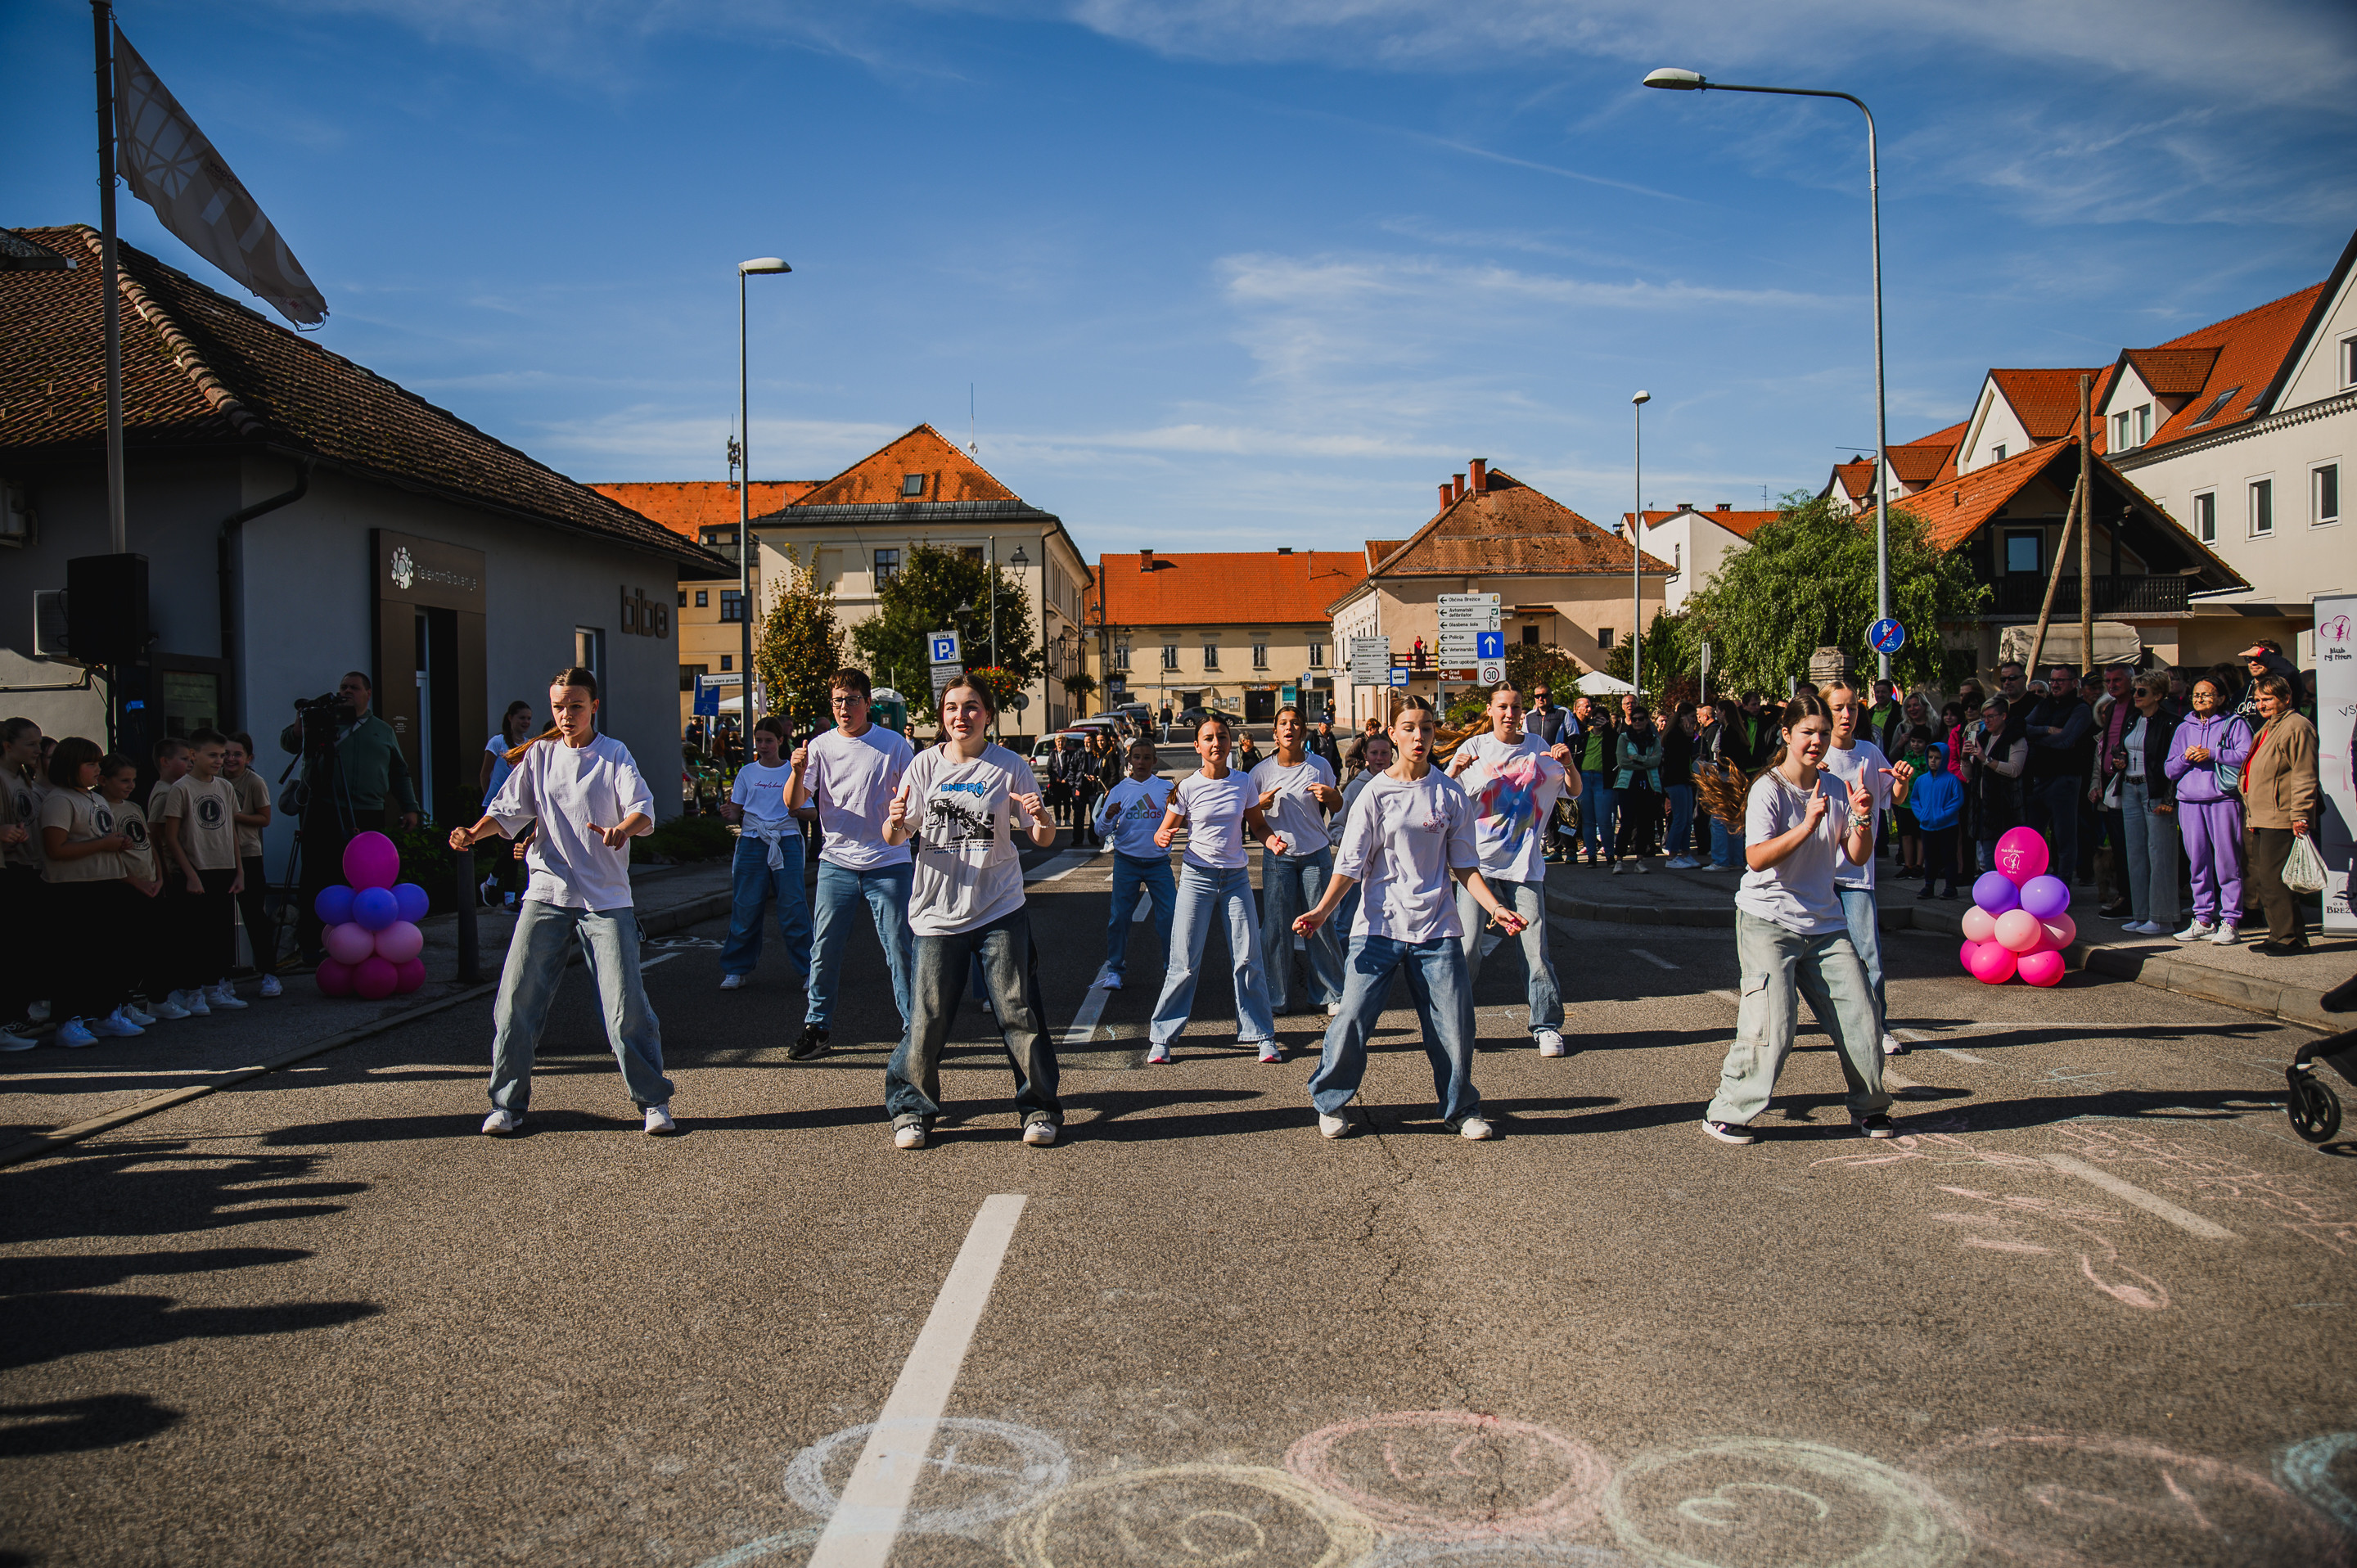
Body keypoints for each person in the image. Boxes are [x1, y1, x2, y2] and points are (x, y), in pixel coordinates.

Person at [449, 666, 676, 1136]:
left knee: (624, 1006)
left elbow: (643, 809)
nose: (566, 714)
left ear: (594, 706)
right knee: (516, 1001)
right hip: (547, 892)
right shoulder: (540, 756)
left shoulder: (614, 755)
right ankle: (508, 1105)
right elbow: (507, 811)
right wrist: (473, 833)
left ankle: (653, 1101)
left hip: (606, 899)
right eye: (559, 706)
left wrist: (621, 830)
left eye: (575, 705)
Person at [1291, 697, 1528, 1141]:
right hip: (1379, 926)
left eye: (1426, 728)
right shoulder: (1375, 794)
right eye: (1409, 728)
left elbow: (1465, 865)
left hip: (1437, 927)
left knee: (1455, 1023)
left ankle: (1461, 1108)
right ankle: (1329, 1100)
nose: (1419, 737)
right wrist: (1322, 911)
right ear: (1394, 735)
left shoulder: (1449, 792)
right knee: (1353, 1017)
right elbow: (1351, 863)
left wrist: (1495, 907)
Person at [1701, 695, 1895, 1145]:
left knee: (1862, 1018)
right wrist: (1805, 826)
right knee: (1774, 1025)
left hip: (1825, 923)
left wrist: (1863, 819)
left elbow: (1855, 854)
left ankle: (1869, 1108)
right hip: (1769, 921)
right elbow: (1755, 858)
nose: (1817, 741)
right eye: (1808, 732)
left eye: (1823, 733)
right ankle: (1727, 1110)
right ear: (1787, 735)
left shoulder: (1834, 786)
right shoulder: (1768, 788)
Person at [880, 677, 1063, 1149]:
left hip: (999, 907)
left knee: (1018, 1011)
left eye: (972, 707)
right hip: (936, 912)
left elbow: (1041, 836)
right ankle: (910, 1109)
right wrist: (895, 821)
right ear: (942, 716)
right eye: (952, 708)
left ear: (988, 714)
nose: (961, 716)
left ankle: (1039, 1107)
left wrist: (1041, 817)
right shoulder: (923, 765)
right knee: (928, 1016)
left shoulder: (1009, 766)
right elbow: (897, 837)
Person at [1147, 714, 1290, 1065]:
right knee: (1184, 961)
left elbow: (1257, 824)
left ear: (1230, 743)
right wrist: (1163, 836)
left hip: (1236, 879)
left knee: (1248, 959)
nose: (1216, 743)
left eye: (1222, 737)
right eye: (1208, 738)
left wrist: (1271, 840)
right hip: (1197, 877)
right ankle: (1162, 1037)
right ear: (1197, 746)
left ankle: (1262, 1036)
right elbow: (1164, 830)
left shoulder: (1243, 783)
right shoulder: (1187, 787)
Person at [791, 667, 917, 1061]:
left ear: (867, 703)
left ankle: (916, 1029)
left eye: (852, 700)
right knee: (824, 947)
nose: (845, 708)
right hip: (837, 862)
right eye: (838, 701)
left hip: (888, 860)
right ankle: (818, 1027)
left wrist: (902, 813)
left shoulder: (893, 745)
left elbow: (916, 798)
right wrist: (796, 771)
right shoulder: (820, 746)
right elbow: (794, 803)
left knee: (900, 947)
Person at [1445, 683, 1572, 1056]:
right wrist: (1454, 767)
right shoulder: (1475, 748)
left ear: (1523, 711)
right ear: (1490, 710)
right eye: (1502, 706)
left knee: (1535, 948)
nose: (1509, 713)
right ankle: (1457, 1022)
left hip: (1525, 863)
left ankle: (1546, 1025)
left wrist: (1567, 764)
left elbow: (1572, 791)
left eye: (1515, 707)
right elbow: (1442, 795)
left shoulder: (1538, 749)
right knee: (1467, 947)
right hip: (1477, 864)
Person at [280, 672, 421, 969]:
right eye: (343, 687)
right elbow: (289, 743)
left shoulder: (382, 730)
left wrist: (410, 807)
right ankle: (311, 946)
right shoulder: (323, 724)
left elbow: (399, 771)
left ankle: (359, 944)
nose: (346, 692)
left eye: (354, 688)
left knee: (363, 880)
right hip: (322, 809)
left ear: (368, 694)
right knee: (316, 876)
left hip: (367, 811)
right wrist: (300, 725)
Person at [1822, 680, 1915, 1057]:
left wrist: (1903, 783)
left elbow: (1892, 800)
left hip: (1858, 874)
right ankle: (1781, 1027)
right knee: (1799, 956)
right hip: (1818, 873)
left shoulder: (1870, 753)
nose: (1847, 715)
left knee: (1868, 955)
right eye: (1839, 708)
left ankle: (1879, 1027)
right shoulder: (1815, 754)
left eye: (1853, 708)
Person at [38, 737, 142, 1047]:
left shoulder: (94, 799)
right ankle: (68, 1020)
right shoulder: (59, 800)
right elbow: (55, 848)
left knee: (106, 955)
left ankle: (105, 1013)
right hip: (73, 888)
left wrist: (116, 843)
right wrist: (104, 844)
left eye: (99, 764)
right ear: (71, 766)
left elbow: (97, 838)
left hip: (104, 882)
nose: (98, 770)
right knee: (75, 958)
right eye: (91, 764)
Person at [1252, 705, 1345, 1016]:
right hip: (1278, 857)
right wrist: (1260, 806)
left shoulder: (1318, 765)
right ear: (1275, 733)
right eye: (1283, 724)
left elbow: (1338, 802)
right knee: (1276, 928)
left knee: (1321, 923)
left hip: (1315, 854)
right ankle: (1276, 995)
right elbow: (1250, 820)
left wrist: (1330, 795)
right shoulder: (1261, 772)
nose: (1289, 729)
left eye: (1295, 724)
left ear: (1303, 732)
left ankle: (1330, 992)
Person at [155, 728, 248, 1018]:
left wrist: (239, 870)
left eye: (222, 755)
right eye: (213, 755)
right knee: (194, 935)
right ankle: (193, 992)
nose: (219, 760)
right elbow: (170, 837)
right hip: (196, 870)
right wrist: (190, 873)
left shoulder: (224, 788)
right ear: (193, 755)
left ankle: (214, 987)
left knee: (219, 934)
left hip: (223, 868)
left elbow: (231, 829)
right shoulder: (180, 789)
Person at [718, 715, 813, 993]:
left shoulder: (791, 771)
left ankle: (809, 970)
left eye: (769, 741)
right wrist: (728, 813)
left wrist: (797, 811)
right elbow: (735, 813)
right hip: (752, 841)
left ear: (781, 741)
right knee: (746, 906)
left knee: (793, 907)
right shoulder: (747, 772)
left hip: (786, 840)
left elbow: (812, 812)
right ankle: (736, 969)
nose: (763, 745)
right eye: (759, 741)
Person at [2163, 677, 2249, 944]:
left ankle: (2230, 921)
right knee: (2197, 862)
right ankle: (2202, 919)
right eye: (2197, 694)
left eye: (2207, 695)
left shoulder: (2235, 724)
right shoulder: (2183, 728)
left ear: (2222, 699)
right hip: (2189, 801)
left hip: (2223, 799)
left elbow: (2247, 756)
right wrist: (2185, 758)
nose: (2199, 699)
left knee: (2227, 862)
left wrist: (2214, 754)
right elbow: (2169, 769)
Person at [2239, 673, 2318, 956]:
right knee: (2264, 880)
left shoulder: (2297, 727)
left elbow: (2304, 774)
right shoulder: (2269, 726)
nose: (2262, 705)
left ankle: (2290, 939)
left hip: (2282, 816)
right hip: (2261, 815)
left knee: (2276, 880)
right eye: (2259, 700)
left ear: (2286, 698)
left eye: (2268, 699)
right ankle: (2278, 933)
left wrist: (2301, 814)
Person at [1093, 738, 1177, 991]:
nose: (1141, 762)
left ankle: (1171, 968)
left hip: (1158, 862)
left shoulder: (1166, 788)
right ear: (1129, 760)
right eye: (1136, 757)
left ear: (1154, 761)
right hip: (1126, 862)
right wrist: (1108, 816)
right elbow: (1100, 830)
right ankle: (1115, 970)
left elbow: (1184, 820)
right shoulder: (1119, 790)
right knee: (1119, 917)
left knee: (1171, 916)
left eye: (1146, 757)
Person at [2111, 674, 2181, 937]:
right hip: (2131, 787)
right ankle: (2141, 914)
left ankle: (2162, 917)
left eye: (2142, 691)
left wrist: (2169, 799)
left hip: (2155, 792)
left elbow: (2175, 763)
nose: (2136, 696)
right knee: (2136, 854)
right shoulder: (2132, 720)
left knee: (2160, 854)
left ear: (2158, 695)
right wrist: (2120, 760)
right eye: (2136, 691)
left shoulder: (2171, 722)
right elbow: (2124, 751)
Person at [99, 754, 164, 1028]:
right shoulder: (102, 809)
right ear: (103, 780)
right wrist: (134, 881)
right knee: (121, 950)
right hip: (124, 885)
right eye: (123, 780)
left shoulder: (135, 807)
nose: (130, 785)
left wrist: (159, 877)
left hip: (150, 882)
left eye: (133, 780)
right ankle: (119, 1005)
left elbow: (148, 845)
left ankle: (134, 1002)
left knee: (145, 947)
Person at [0, 717, 48, 1048]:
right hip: (11, 869)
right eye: (30, 744)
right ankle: (7, 1020)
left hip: (30, 867)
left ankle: (18, 1011)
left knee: (25, 948)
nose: (38, 750)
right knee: (11, 949)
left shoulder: (23, 777)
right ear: (7, 746)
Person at [222, 732, 281, 997]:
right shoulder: (213, 780)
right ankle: (223, 978)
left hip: (248, 853)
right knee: (220, 920)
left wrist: (235, 817)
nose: (230, 759)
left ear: (249, 757)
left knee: (254, 916)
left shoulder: (254, 782)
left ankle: (269, 973)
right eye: (226, 753)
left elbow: (264, 819)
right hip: (218, 856)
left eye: (237, 754)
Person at [2023, 666, 2093, 888]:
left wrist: (2037, 738)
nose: (2055, 684)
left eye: (2061, 681)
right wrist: (2046, 730)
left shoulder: (2081, 709)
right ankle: (2031, 880)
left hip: (2065, 779)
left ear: (2075, 683)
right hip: (2039, 778)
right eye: (2052, 680)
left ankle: (2063, 883)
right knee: (2034, 834)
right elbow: (2023, 729)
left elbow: (2065, 741)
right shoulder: (2044, 704)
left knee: (2064, 835)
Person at [478, 701, 539, 904]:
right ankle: (495, 886)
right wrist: (490, 800)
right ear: (510, 718)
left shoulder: (529, 745)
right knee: (509, 847)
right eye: (522, 717)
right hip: (498, 806)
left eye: (529, 718)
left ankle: (507, 895)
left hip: (519, 806)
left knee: (515, 849)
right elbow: (485, 774)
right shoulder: (497, 742)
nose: (526, 722)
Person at [1963, 696, 2027, 873]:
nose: (1986, 721)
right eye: (1984, 717)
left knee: (2009, 858)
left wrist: (1986, 759)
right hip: (1984, 807)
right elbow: (1969, 775)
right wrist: (1965, 759)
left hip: (2006, 808)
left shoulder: (2016, 738)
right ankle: (1994, 895)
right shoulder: (1983, 738)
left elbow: (2015, 769)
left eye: (1991, 716)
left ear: (2004, 716)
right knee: (1989, 858)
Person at [1612, 704, 1665, 872]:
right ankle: (1619, 860)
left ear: (1647, 720)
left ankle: (1639, 861)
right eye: (1634, 719)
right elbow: (1622, 762)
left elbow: (1656, 761)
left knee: (1645, 824)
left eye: (1641, 719)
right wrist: (1645, 761)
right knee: (1627, 822)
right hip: (1628, 785)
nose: (1637, 722)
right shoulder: (1624, 738)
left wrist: (1636, 758)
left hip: (1649, 785)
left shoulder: (1654, 739)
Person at [1910, 744, 1963, 900]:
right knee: (1930, 857)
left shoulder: (1952, 780)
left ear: (1945, 759)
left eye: (1938, 758)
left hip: (1948, 826)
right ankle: (1929, 885)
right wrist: (1922, 815)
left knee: (1949, 857)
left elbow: (1957, 800)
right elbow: (1915, 800)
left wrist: (1943, 815)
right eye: (1931, 757)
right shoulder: (1921, 780)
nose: (1933, 761)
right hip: (1927, 826)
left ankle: (1950, 887)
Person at [1571, 695, 1619, 866]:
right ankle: (1591, 856)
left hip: (1603, 780)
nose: (1598, 722)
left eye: (1602, 719)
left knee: (1605, 820)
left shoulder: (1613, 738)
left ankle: (1609, 855)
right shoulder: (1584, 737)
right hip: (1585, 779)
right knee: (1588, 820)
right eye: (1595, 718)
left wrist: (1608, 728)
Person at [1662, 704, 1700, 867]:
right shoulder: (1674, 734)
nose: (1695, 721)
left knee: (1686, 819)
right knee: (1679, 818)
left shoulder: (1685, 734)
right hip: (1674, 780)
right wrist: (1688, 736)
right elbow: (1676, 757)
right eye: (1692, 717)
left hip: (1685, 779)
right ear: (1683, 716)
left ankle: (1685, 852)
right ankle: (1672, 855)